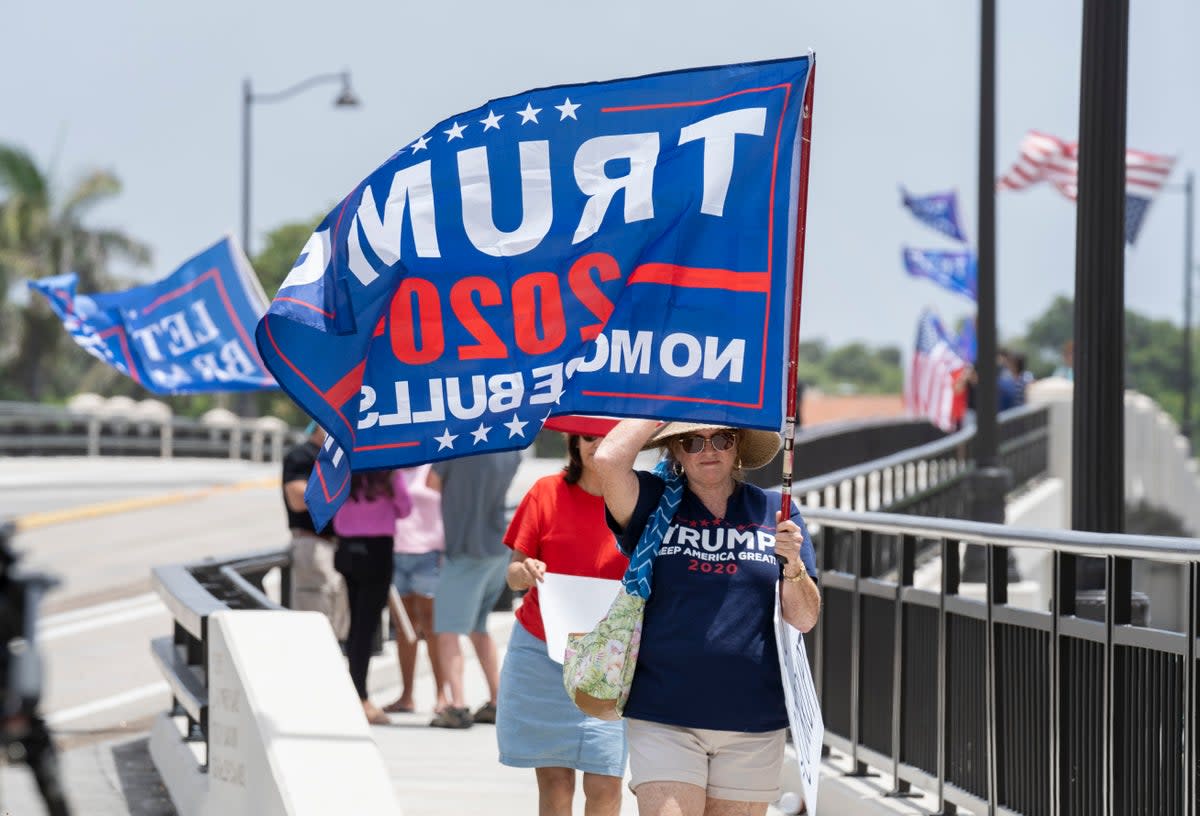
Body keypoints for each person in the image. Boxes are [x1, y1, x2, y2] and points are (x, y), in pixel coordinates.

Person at [593, 419, 821, 816]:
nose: (708, 449)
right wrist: (671, 400)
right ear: (676, 451)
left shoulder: (775, 509)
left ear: (738, 446)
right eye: (691, 441)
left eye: (721, 438)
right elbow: (609, 459)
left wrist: (793, 565)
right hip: (663, 713)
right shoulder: (652, 501)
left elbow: (804, 619)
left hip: (753, 719)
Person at [496, 418, 629, 816]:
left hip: (609, 660)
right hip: (542, 651)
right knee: (555, 780)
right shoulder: (545, 492)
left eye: (607, 437)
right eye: (588, 436)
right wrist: (529, 570)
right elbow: (513, 574)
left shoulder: (640, 498)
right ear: (573, 441)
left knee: (605, 781)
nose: (596, 445)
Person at [427, 450, 522, 729]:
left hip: (465, 548)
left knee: (447, 630)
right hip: (496, 546)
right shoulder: (511, 447)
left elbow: (431, 483)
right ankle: (496, 700)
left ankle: (456, 705)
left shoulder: (456, 442)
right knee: (478, 628)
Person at [331, 470, 413, 725]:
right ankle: (360, 696)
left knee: (356, 624)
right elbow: (405, 508)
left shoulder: (343, 470)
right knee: (366, 627)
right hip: (377, 551)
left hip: (346, 549)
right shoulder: (389, 472)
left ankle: (355, 690)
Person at [382, 463, 450, 715]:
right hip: (396, 554)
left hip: (429, 555)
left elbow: (450, 507)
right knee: (403, 629)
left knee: (433, 628)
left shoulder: (434, 467)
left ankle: (442, 694)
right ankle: (406, 695)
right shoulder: (392, 469)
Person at [282, 422, 348, 640]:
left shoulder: (338, 458)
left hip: (338, 543)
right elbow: (298, 498)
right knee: (313, 619)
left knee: (336, 617)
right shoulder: (301, 456)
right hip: (312, 543)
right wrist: (341, 488)